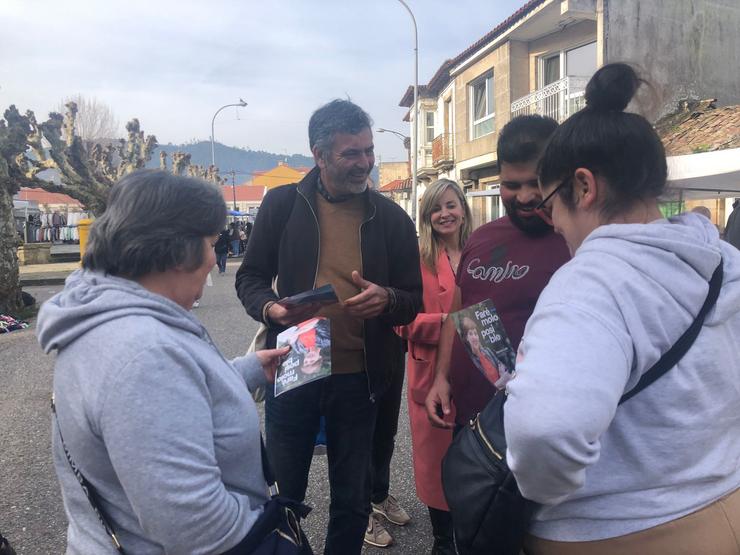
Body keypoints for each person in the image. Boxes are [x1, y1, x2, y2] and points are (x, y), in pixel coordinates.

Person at [504, 63, 740, 554]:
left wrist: (546, 494)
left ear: (584, 187)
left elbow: (544, 430)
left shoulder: (590, 281)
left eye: (551, 206)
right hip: (726, 505)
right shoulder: (723, 259)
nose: (553, 224)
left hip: (618, 530)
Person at [36, 170, 293, 554]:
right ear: (175, 251)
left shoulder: (103, 316)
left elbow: (169, 404)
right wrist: (264, 526)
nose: (212, 259)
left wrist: (245, 370)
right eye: (209, 243)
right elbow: (197, 524)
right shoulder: (144, 354)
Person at [235, 99, 422, 554]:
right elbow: (249, 277)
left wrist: (388, 299)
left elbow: (412, 299)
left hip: (361, 379)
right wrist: (271, 309)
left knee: (353, 500)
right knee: (284, 494)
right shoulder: (283, 205)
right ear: (319, 155)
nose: (365, 163)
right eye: (350, 153)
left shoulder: (391, 218)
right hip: (294, 366)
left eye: (368, 150)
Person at [425, 114, 570, 433]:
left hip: (537, 424)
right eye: (511, 185)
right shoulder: (481, 238)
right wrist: (441, 377)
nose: (524, 196)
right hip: (471, 417)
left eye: (536, 183)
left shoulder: (574, 242)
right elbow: (458, 312)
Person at [395, 178, 472, 554]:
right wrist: (444, 322)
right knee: (435, 463)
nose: (445, 214)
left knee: (477, 455)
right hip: (430, 375)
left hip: (478, 374)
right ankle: (442, 539)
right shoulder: (415, 259)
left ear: (463, 208)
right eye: (437, 208)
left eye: (451, 205)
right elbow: (397, 320)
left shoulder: (481, 252)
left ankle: (473, 530)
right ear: (426, 216)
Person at [459, 316, 503, 387]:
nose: (474, 337)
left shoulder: (487, 351)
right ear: (466, 338)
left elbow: (500, 364)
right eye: (470, 334)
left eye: (475, 333)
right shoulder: (469, 361)